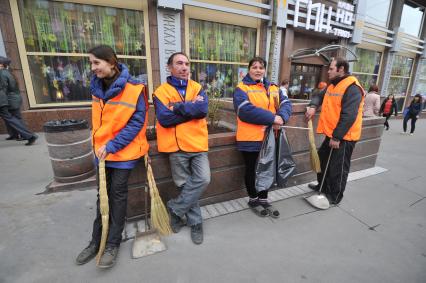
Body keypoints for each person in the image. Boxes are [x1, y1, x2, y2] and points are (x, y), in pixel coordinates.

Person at [75, 45, 149, 268]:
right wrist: (99, 144)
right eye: (91, 63)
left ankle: (112, 244)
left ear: (111, 62)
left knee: (116, 196)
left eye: (96, 63)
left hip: (123, 152)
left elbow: (136, 123)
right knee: (102, 197)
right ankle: (96, 241)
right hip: (102, 153)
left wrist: (112, 145)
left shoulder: (135, 88)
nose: (93, 67)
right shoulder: (96, 87)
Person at [153, 52, 210, 245]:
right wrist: (189, 108)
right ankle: (196, 223)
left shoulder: (198, 87)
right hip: (175, 146)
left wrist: (177, 107)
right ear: (169, 67)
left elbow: (202, 111)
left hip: (198, 144)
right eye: (179, 63)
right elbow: (165, 120)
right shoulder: (160, 91)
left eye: (187, 63)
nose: (184, 67)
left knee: (203, 179)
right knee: (186, 186)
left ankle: (175, 209)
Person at [233, 57, 292, 218]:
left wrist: (281, 117)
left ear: (265, 70)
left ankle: (263, 199)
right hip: (250, 138)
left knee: (266, 168)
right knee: (252, 170)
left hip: (270, 138)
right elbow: (245, 110)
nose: (258, 70)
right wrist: (272, 118)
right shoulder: (242, 88)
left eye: (261, 67)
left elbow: (286, 103)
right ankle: (253, 199)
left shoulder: (273, 87)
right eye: (254, 67)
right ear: (249, 70)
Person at [305, 57, 364, 205]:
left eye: (331, 69)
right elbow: (319, 95)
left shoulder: (352, 87)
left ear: (341, 69)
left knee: (338, 168)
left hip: (344, 137)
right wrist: (313, 106)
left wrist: (337, 137)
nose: (328, 71)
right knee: (322, 159)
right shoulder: (332, 85)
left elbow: (349, 115)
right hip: (332, 133)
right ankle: (323, 186)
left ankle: (335, 196)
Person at [0, 56, 37, 145]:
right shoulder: (9, 72)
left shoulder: (2, 73)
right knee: (12, 118)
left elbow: (3, 88)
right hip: (13, 98)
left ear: (1, 64)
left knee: (13, 118)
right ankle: (16, 134)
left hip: (9, 99)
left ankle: (27, 135)